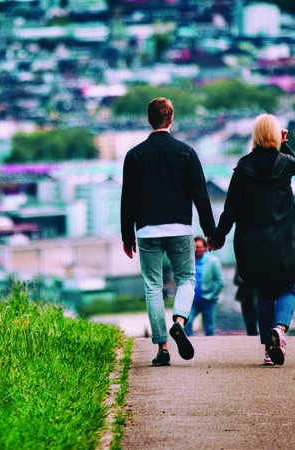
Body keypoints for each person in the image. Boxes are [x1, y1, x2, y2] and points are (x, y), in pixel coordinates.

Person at [121, 97, 216, 367]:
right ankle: (180, 321)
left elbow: (127, 200)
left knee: (153, 287)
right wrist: (210, 232)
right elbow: (201, 195)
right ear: (171, 120)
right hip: (180, 228)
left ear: (148, 119)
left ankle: (162, 347)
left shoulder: (134, 155)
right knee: (186, 278)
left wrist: (127, 236)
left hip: (147, 230)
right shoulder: (186, 152)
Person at [208, 113, 295, 366]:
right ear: (275, 135)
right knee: (287, 287)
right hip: (285, 239)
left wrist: (218, 236)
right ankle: (280, 329)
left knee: (263, 293)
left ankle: (268, 349)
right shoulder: (285, 164)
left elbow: (231, 208)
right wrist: (283, 143)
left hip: (254, 242)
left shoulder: (243, 168)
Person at [185, 236, 224, 337]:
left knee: (209, 328)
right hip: (192, 300)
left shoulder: (213, 261)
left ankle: (210, 349)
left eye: (199, 247)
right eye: (195, 247)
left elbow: (220, 281)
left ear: (204, 248)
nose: (196, 249)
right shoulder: (189, 261)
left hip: (208, 300)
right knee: (187, 323)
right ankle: (189, 345)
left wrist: (211, 295)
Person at [233, 267, 259, 336]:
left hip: (256, 297)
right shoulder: (241, 260)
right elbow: (236, 280)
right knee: (248, 322)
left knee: (252, 321)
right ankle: (252, 338)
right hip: (244, 297)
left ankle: (255, 337)